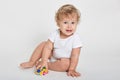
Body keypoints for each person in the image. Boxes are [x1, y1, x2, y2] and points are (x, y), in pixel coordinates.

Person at [20, 4, 83, 77]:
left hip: (64, 60)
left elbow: (75, 55)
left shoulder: (76, 38)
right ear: (58, 23)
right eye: (65, 22)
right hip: (52, 55)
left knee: (66, 65)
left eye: (73, 23)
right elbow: (48, 48)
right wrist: (44, 60)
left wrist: (72, 69)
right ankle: (32, 62)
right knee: (44, 44)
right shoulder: (55, 34)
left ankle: (48, 65)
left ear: (77, 23)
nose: (69, 26)